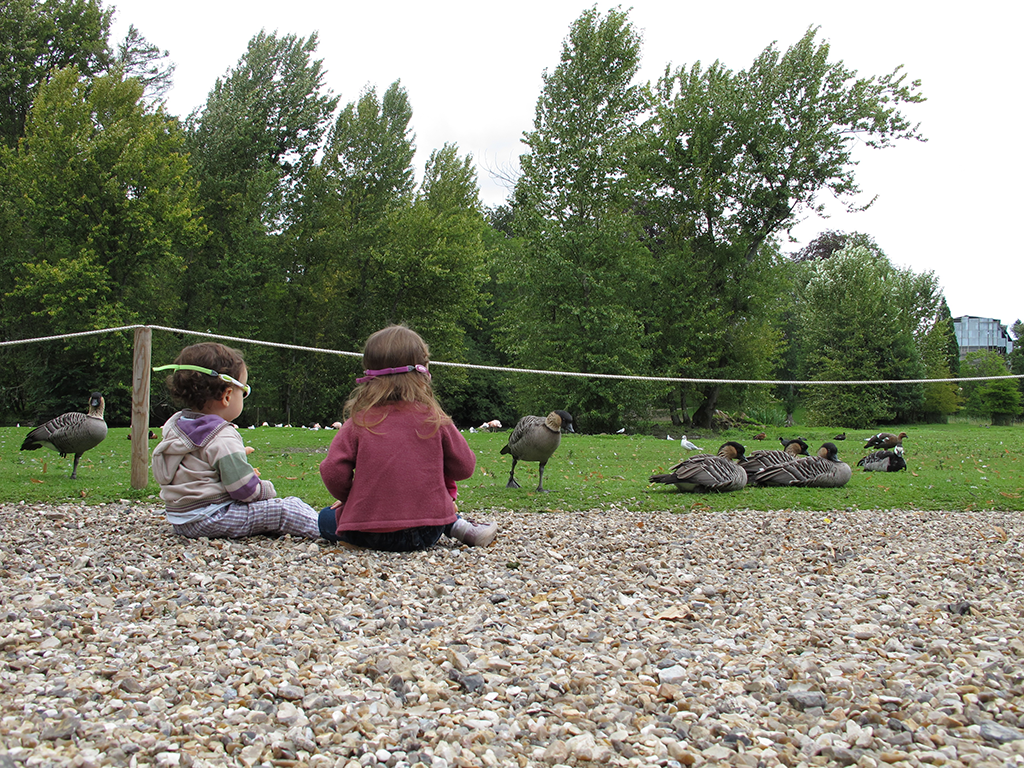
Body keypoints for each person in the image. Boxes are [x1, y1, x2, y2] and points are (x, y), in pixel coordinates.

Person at [319, 324, 497, 551]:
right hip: (427, 532)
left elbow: (333, 471)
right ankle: (456, 525)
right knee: (432, 510)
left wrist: (351, 498)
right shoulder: (434, 418)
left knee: (325, 518)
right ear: (422, 371)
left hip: (366, 533)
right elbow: (465, 467)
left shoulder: (359, 421)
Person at [152, 342, 321, 540]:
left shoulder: (177, 424)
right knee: (287, 509)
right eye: (244, 390)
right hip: (209, 517)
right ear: (227, 395)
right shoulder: (221, 435)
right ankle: (333, 531)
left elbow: (201, 467)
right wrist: (263, 487)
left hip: (181, 518)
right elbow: (243, 491)